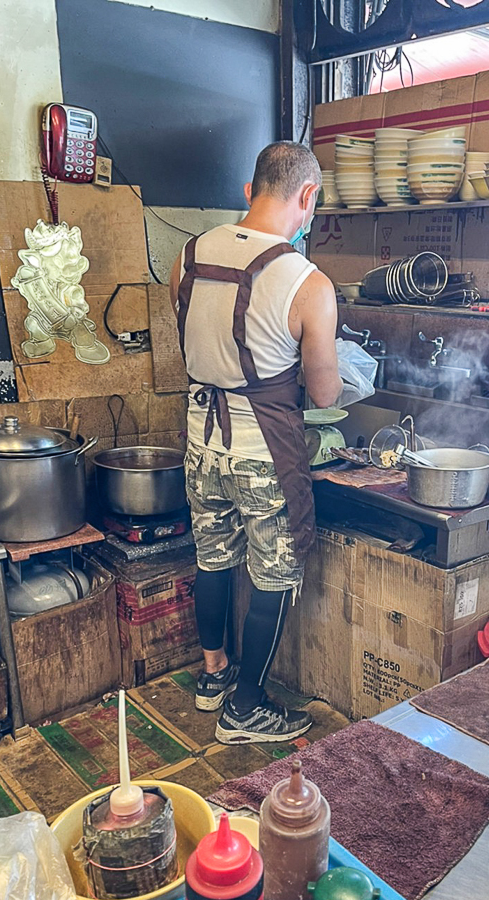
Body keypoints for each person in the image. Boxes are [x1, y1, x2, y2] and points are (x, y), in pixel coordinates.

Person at [169, 142, 342, 744]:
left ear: (249, 191)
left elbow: (198, 344)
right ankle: (246, 708)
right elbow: (324, 395)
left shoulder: (186, 257)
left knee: (212, 559)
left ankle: (212, 676)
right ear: (308, 198)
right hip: (263, 453)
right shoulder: (307, 282)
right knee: (274, 574)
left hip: (200, 441)